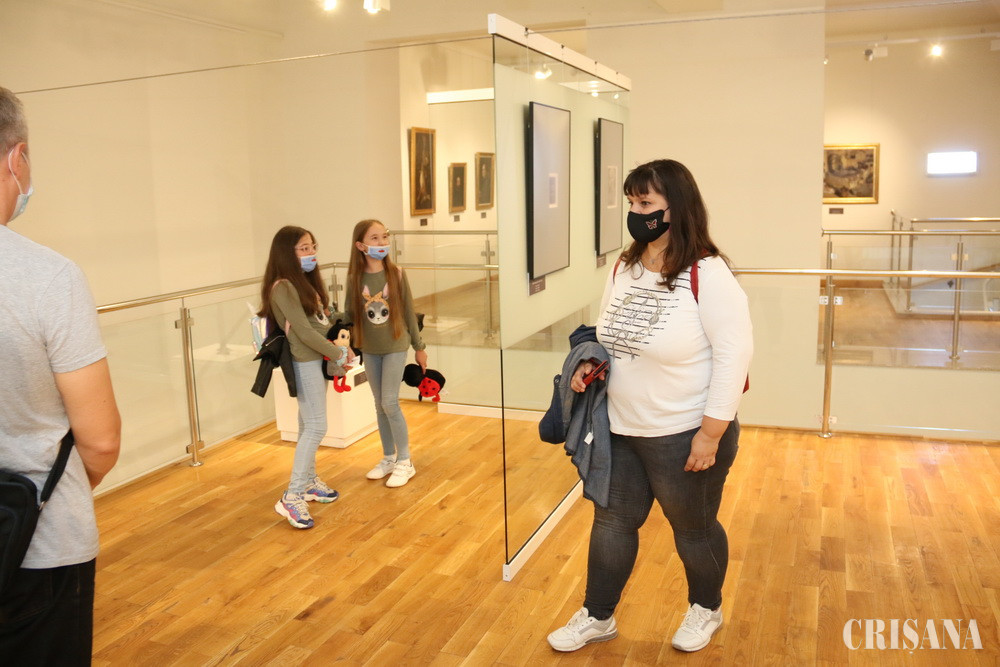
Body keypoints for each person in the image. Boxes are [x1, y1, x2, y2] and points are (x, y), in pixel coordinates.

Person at [547, 159, 753, 653]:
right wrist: (588, 362)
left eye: (646, 203)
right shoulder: (625, 267)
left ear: (675, 207)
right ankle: (598, 615)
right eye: (631, 202)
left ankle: (706, 608)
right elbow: (607, 334)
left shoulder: (707, 273)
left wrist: (710, 434)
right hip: (620, 427)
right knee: (612, 522)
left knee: (693, 530)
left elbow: (734, 356)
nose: (635, 212)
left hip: (683, 432)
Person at [0, 86, 122, 663]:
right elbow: (100, 441)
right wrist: (55, 494)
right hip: (37, 544)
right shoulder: (49, 278)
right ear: (17, 158)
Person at [258, 226, 347, 529]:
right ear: (287, 253)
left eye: (312, 247)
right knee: (317, 426)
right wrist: (338, 353)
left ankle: (308, 481)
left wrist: (341, 339)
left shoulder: (304, 282)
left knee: (308, 423)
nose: (311, 253)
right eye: (304, 248)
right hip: (304, 360)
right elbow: (305, 332)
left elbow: (320, 322)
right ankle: (292, 495)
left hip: (316, 358)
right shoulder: (283, 287)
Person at [344, 219, 427, 488]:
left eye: (384, 237)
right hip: (370, 348)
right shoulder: (354, 279)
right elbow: (349, 314)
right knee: (379, 404)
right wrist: (343, 342)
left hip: (395, 346)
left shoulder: (397, 274)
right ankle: (389, 457)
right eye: (375, 238)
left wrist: (419, 347)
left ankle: (405, 461)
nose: (382, 243)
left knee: (390, 402)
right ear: (360, 245)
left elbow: (409, 311)